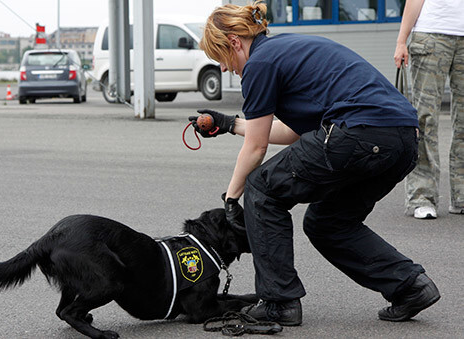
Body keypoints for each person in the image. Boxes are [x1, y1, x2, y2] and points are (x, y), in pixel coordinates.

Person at [189, 1, 440, 326]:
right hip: (401, 140)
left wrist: (232, 200)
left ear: (235, 42)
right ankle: (410, 287)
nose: (224, 68)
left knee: (261, 188)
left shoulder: (260, 62)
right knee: (327, 223)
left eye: (221, 57)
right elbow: (292, 132)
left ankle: (279, 302)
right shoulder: (286, 49)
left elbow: (257, 147)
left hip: (359, 132)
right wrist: (228, 124)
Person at [394, 0, 464, 219]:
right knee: (425, 119)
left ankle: (461, 196)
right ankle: (421, 197)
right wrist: (401, 41)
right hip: (431, 35)